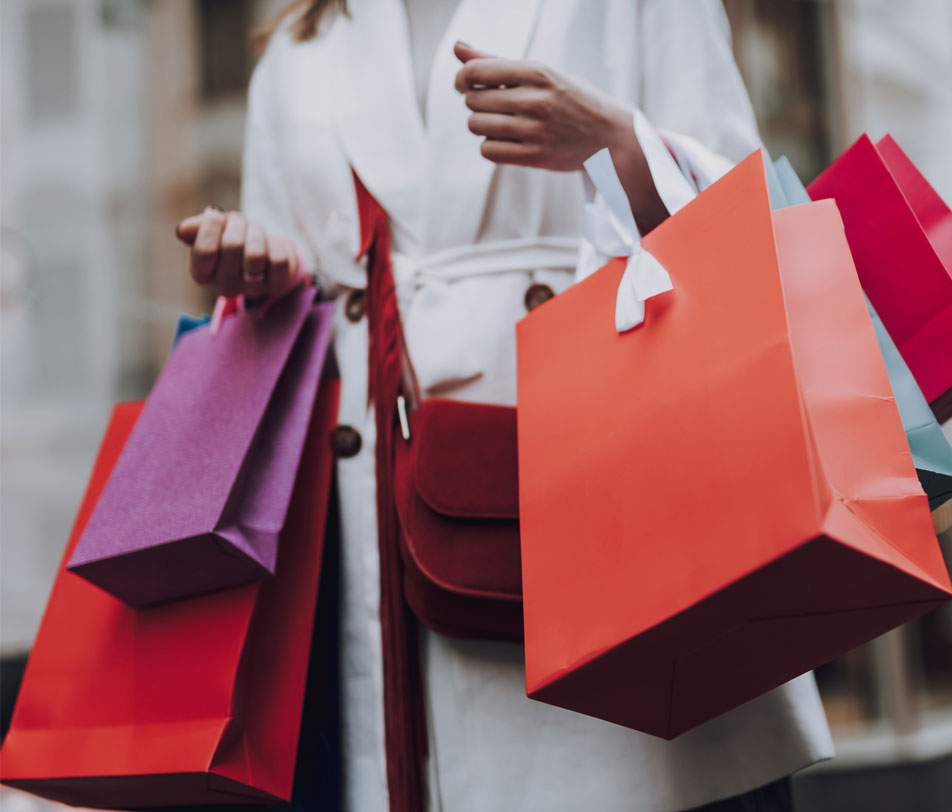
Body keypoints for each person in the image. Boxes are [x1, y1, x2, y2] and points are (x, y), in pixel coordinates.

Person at [177, 1, 834, 810]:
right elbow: (297, 293)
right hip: (382, 524)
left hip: (605, 472)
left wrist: (619, 143)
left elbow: (752, 225)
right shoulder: (301, 41)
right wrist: (262, 266)